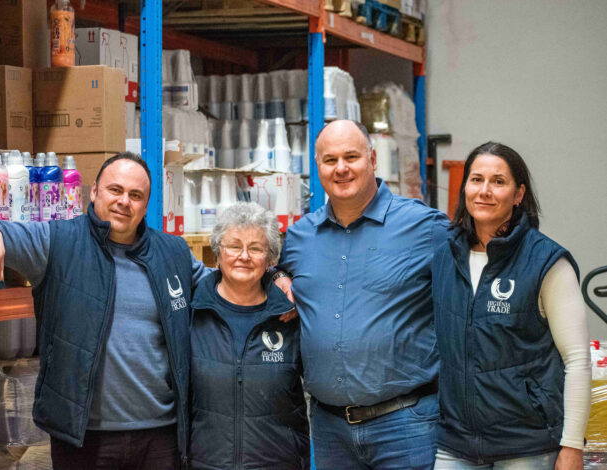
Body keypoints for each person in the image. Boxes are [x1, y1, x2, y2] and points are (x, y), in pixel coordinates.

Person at [0, 152, 208, 470]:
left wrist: (267, 274)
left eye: (135, 195)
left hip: (161, 438)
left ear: (146, 205)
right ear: (94, 192)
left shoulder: (173, 253)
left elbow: (225, 287)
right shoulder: (58, 242)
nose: (124, 201)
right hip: (83, 438)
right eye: (115, 190)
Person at [275, 120, 449, 469]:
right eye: (330, 160)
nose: (341, 168)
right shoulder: (299, 237)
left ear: (373, 159)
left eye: (351, 157)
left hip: (407, 425)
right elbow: (276, 274)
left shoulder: (425, 227)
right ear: (318, 166)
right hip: (329, 429)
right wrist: (278, 276)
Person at [431, 142, 591, 470]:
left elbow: (577, 359)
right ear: (464, 188)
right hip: (456, 442)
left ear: (519, 194)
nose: (485, 191)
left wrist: (572, 445)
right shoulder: (445, 257)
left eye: (498, 181)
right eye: (476, 179)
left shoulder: (546, 261)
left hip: (526, 445)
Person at [189, 202, 310, 469]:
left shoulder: (290, 315)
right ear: (217, 253)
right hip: (206, 463)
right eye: (234, 246)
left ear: (270, 260)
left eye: (255, 248)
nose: (244, 256)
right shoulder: (192, 312)